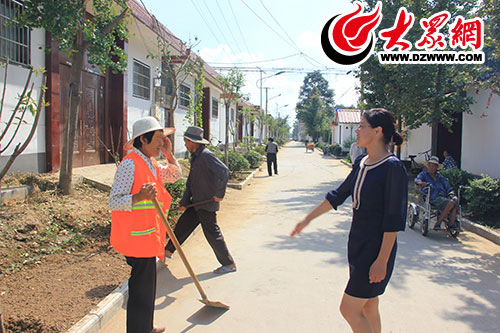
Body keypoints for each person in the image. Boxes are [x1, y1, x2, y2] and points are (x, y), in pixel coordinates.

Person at [291, 108, 407, 333]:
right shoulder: (362, 162)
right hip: (357, 245)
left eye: (361, 126)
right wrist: (307, 219)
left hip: (375, 251)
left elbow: (393, 220)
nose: (356, 131)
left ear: (377, 131)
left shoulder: (393, 168)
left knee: (349, 309)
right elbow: (339, 194)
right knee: (369, 307)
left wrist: (382, 260)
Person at [109, 116, 182, 333]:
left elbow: (175, 176)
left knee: (147, 287)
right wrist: (139, 197)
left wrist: (169, 155)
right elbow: (113, 201)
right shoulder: (130, 164)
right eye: (158, 139)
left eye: (163, 139)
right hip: (136, 238)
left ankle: (145, 326)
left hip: (148, 236)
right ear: (143, 139)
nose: (162, 143)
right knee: (141, 288)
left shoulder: (150, 163)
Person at [165, 126, 236, 274]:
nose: (185, 144)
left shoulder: (206, 155)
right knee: (182, 226)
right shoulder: (196, 157)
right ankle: (167, 251)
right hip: (196, 202)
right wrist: (185, 202)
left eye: (186, 141)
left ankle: (229, 264)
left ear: (194, 142)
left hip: (206, 203)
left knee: (212, 234)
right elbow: (191, 181)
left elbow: (223, 171)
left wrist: (219, 194)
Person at [414, 156, 459, 230]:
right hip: (432, 197)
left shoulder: (440, 177)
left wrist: (451, 192)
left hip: (443, 197)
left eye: (434, 166)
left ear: (436, 168)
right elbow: (417, 180)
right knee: (452, 203)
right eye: (430, 166)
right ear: (428, 166)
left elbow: (448, 187)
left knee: (454, 202)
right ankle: (438, 223)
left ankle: (451, 224)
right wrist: (421, 183)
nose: (432, 168)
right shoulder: (424, 174)